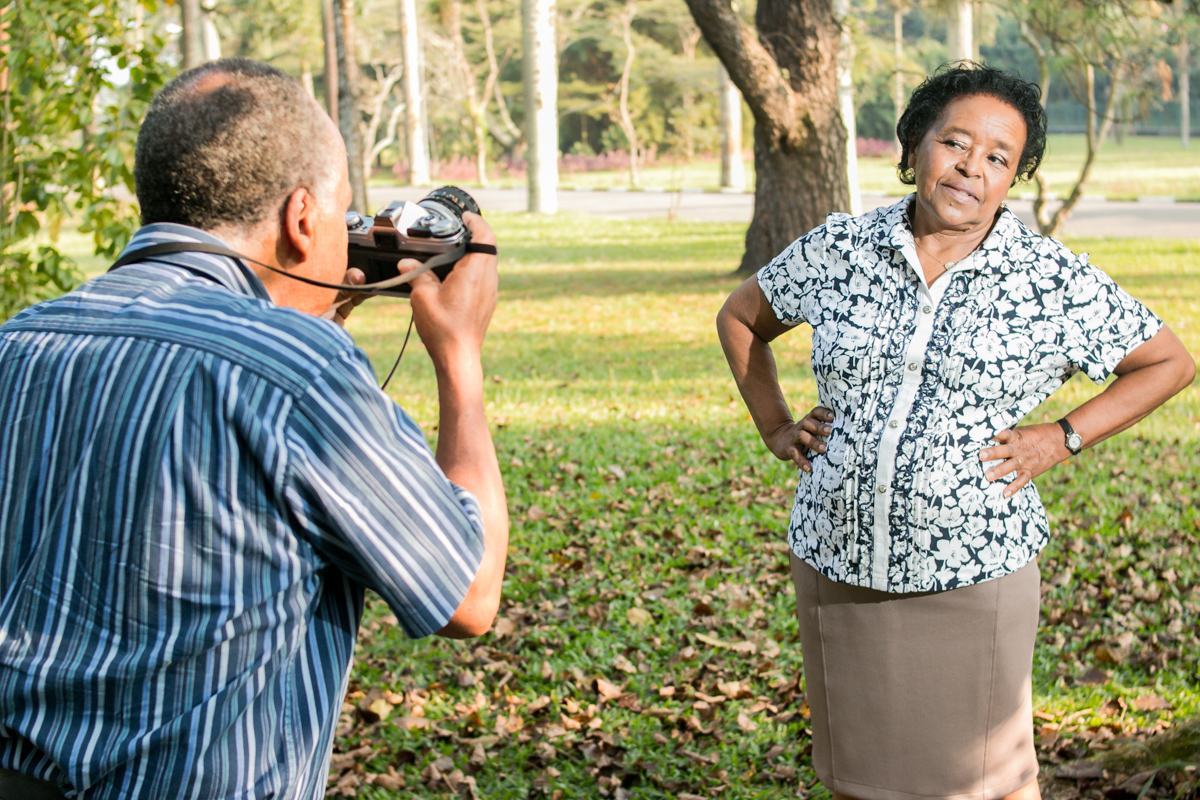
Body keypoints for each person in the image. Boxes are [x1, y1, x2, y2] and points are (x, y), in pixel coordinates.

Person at [0, 58, 508, 799]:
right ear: (304, 219)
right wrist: (460, 356)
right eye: (342, 216)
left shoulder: (20, 341)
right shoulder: (300, 372)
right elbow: (469, 595)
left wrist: (303, 314)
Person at [717, 64, 1194, 800]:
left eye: (998, 157)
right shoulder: (840, 249)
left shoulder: (1048, 278)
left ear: (1014, 179)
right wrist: (776, 426)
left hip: (971, 570)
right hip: (837, 561)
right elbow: (742, 318)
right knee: (859, 779)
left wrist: (1057, 438)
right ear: (915, 147)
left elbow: (1167, 362)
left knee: (987, 785)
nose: (973, 166)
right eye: (956, 143)